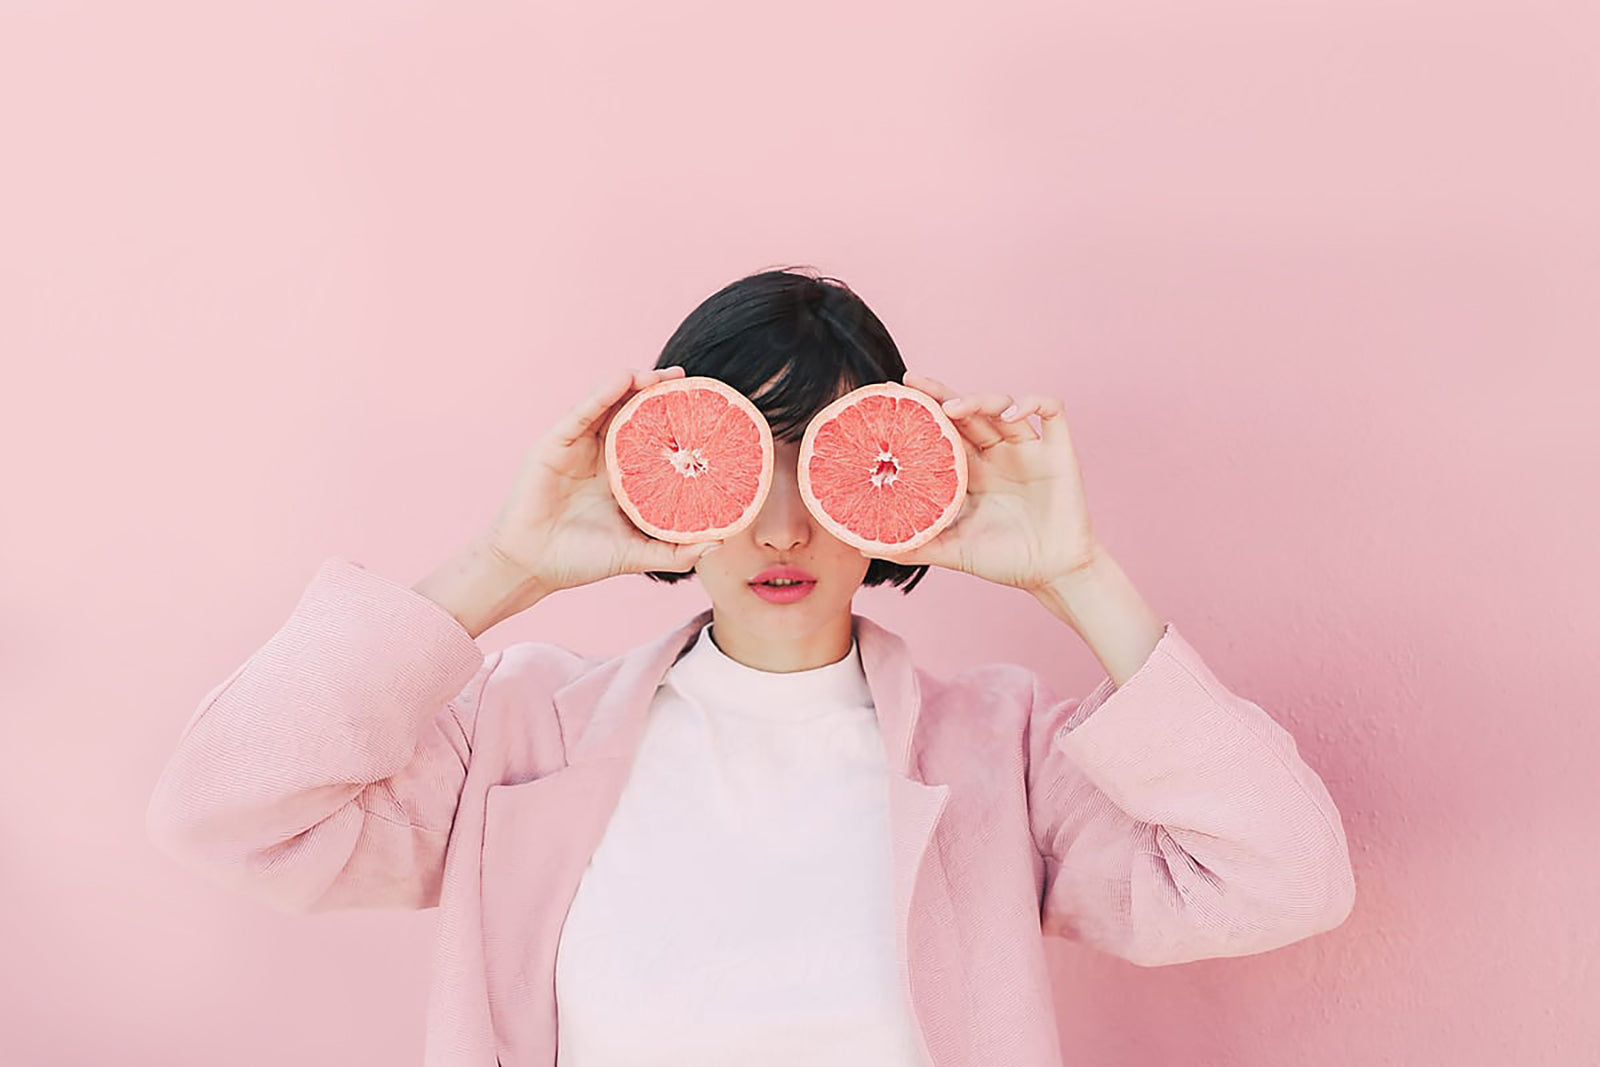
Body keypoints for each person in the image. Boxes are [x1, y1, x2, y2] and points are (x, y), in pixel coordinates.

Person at [146, 267, 1356, 1067]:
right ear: (659, 469)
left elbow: (1282, 877)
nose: (780, 529)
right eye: (737, 466)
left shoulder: (1002, 750)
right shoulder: (514, 736)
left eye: (822, 467)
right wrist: (504, 561)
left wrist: (1072, 573)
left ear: (896, 473)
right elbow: (227, 809)